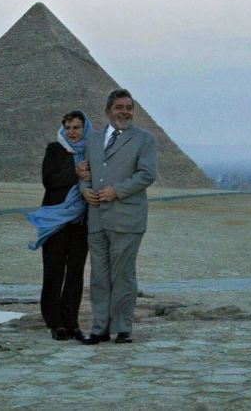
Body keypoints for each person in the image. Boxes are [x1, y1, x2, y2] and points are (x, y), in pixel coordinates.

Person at [79, 89, 157, 344]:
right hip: (97, 217)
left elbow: (147, 174)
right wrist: (85, 190)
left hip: (127, 218)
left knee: (122, 276)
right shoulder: (94, 139)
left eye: (129, 107)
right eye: (119, 107)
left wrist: (117, 191)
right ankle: (100, 328)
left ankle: (123, 328)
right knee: (99, 278)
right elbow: (85, 172)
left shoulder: (144, 140)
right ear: (108, 111)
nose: (125, 112)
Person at [26, 110, 91, 342]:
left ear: (85, 128)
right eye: (68, 127)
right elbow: (49, 181)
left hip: (82, 220)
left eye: (77, 127)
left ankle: (72, 322)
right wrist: (74, 173)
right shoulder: (55, 149)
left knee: (75, 272)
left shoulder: (92, 152)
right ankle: (55, 323)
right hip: (55, 219)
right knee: (54, 271)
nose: (72, 132)